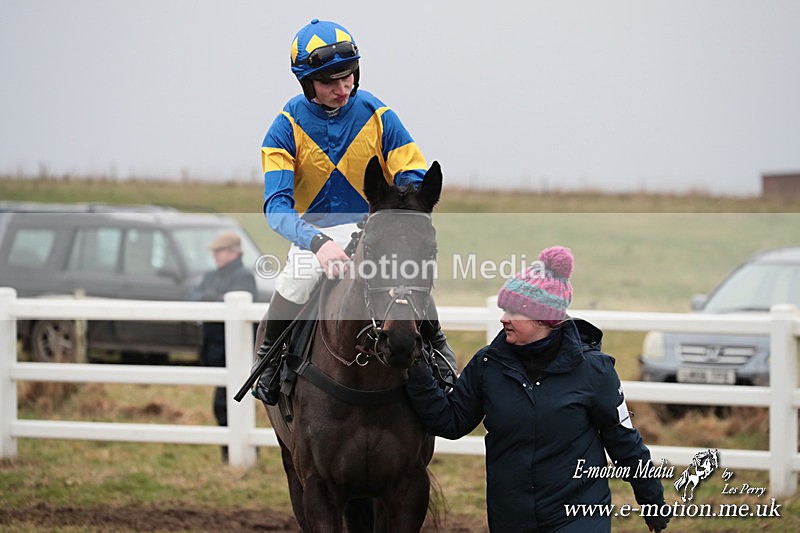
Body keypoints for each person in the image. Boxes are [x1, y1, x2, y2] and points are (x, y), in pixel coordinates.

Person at [252, 18, 455, 404]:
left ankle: (439, 351)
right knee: (294, 282)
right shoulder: (284, 127)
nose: (342, 89)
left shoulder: (379, 115)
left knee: (406, 275)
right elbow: (276, 206)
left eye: (348, 78)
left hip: (373, 228)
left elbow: (411, 170)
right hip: (315, 236)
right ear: (306, 82)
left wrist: (406, 206)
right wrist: (315, 243)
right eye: (330, 82)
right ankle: (270, 361)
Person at [406, 246, 671, 532]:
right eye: (504, 309)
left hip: (578, 516)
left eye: (514, 311)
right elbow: (450, 421)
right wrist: (417, 368)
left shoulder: (594, 370)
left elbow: (624, 442)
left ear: (544, 318)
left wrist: (652, 501)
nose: (503, 318)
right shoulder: (487, 364)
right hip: (511, 519)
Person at [188, 231, 257, 461]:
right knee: (223, 402)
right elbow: (194, 297)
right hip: (214, 347)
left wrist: (211, 297)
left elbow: (218, 299)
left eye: (219, 251)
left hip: (234, 349)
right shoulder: (212, 276)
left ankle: (238, 452)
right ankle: (231, 452)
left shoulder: (243, 276)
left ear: (234, 253)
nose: (215, 256)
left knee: (225, 402)